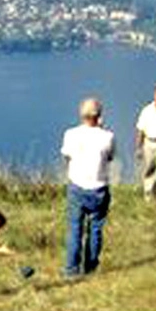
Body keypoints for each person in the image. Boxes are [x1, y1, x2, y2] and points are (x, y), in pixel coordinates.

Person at [61, 97, 115, 277]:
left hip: (77, 186)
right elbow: (109, 157)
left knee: (75, 229)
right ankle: (90, 267)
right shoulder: (108, 136)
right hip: (99, 188)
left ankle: (71, 270)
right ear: (99, 115)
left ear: (81, 114)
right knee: (95, 229)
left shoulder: (71, 134)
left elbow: (67, 157)